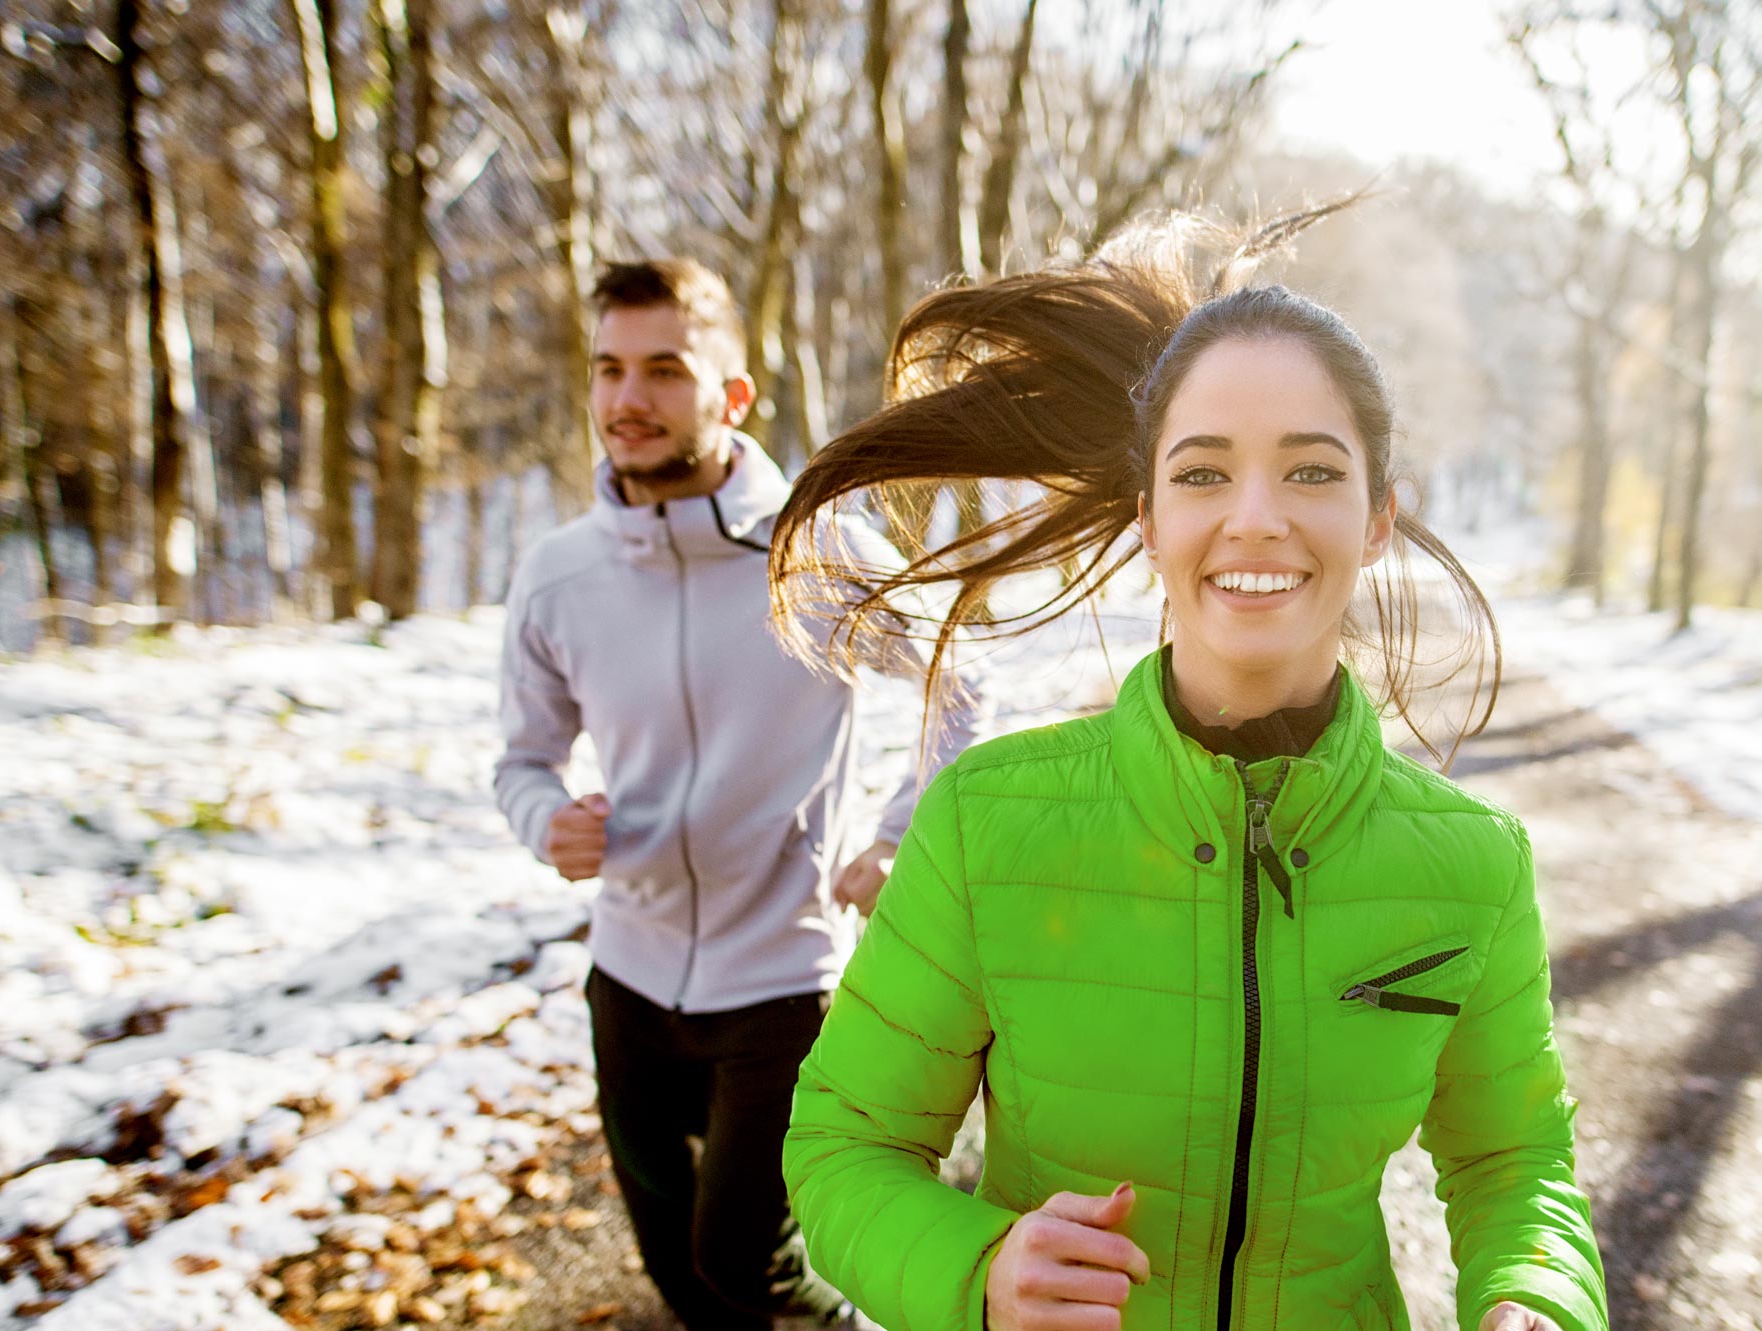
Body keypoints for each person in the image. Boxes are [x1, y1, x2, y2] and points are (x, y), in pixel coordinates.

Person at [767, 212, 1605, 1331]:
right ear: (1151, 517)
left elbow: (1514, 1159)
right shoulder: (986, 823)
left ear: (1375, 520)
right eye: (1203, 473)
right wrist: (979, 1272)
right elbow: (845, 1144)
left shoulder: (1473, 865)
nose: (1254, 519)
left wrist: (1536, 1296)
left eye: (1311, 469)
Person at [493, 259, 982, 1330]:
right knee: (681, 1274)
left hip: (782, 982)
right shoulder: (560, 574)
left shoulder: (812, 555)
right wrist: (547, 820)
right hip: (625, 979)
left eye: (664, 369)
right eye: (609, 370)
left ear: (733, 394)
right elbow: (522, 760)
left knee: (746, 1261)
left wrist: (903, 835)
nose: (628, 400)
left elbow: (958, 678)